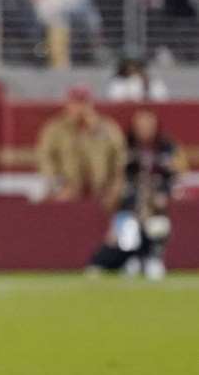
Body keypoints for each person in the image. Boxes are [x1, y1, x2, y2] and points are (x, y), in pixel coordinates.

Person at [86, 109, 182, 280]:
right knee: (125, 236)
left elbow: (179, 171)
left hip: (158, 206)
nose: (145, 129)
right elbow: (118, 176)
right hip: (130, 205)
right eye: (140, 125)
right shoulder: (126, 148)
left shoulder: (168, 147)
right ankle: (116, 261)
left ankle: (151, 259)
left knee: (158, 226)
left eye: (148, 125)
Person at [36, 84, 126, 205]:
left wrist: (114, 190)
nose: (80, 108)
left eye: (84, 103)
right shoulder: (55, 130)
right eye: (76, 103)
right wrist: (59, 187)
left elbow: (119, 159)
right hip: (67, 193)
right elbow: (46, 160)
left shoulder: (107, 128)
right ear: (68, 104)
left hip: (101, 194)